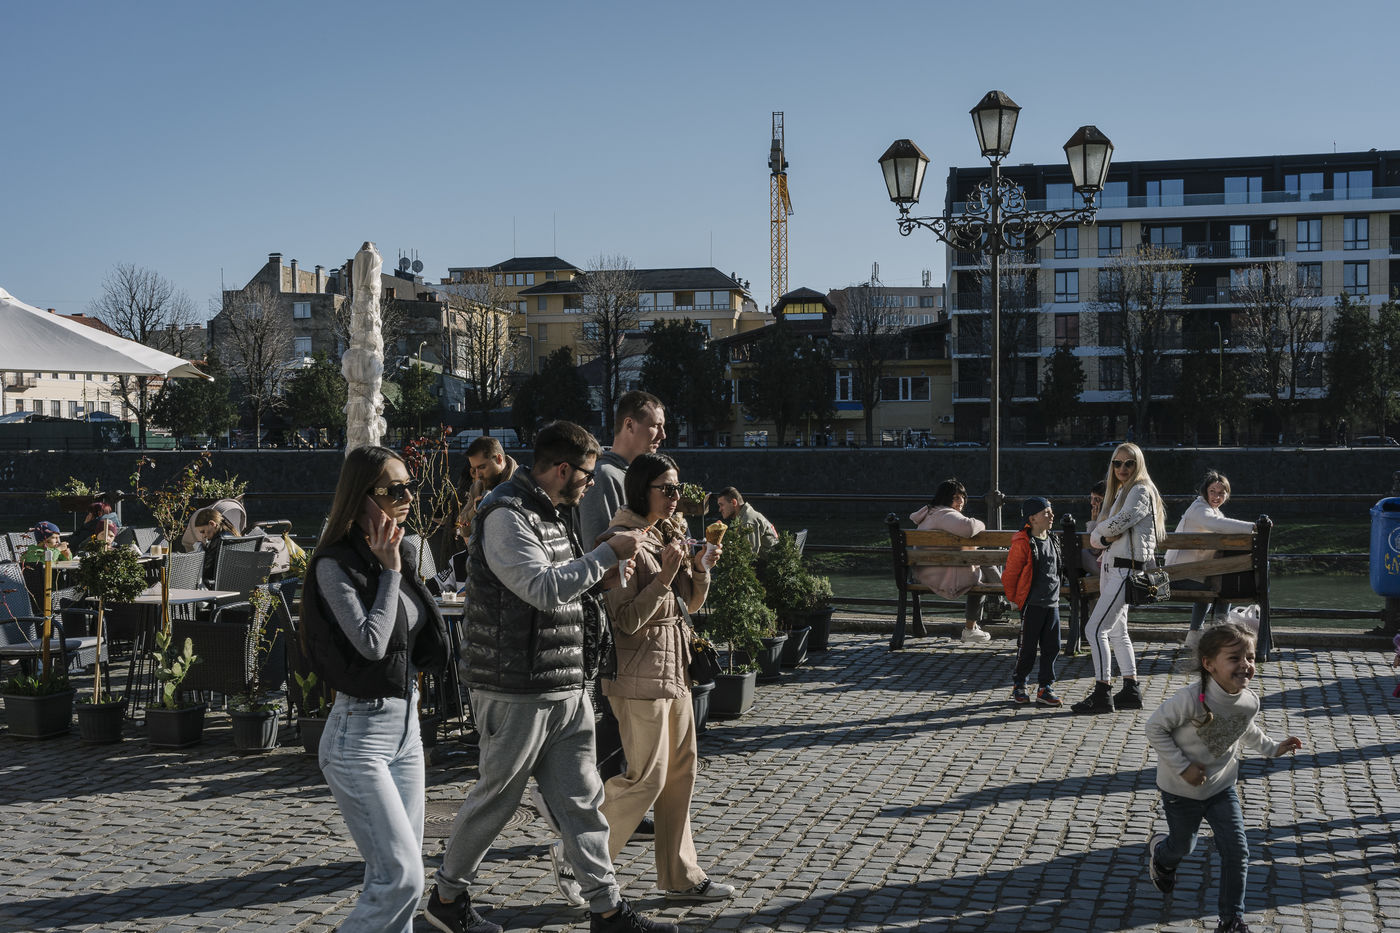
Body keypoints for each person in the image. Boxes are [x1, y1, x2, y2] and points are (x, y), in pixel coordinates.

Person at [426, 421, 674, 933]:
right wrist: (606, 555)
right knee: (497, 800)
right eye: (586, 474)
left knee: (583, 804)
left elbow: (563, 585)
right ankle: (446, 899)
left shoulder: (550, 512)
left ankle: (608, 910)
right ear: (563, 469)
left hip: (563, 684)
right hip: (515, 688)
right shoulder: (505, 515)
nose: (591, 484)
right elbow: (540, 588)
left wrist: (600, 572)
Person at [298, 445, 451, 933]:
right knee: (402, 879)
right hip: (358, 737)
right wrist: (389, 573)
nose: (407, 497)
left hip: (407, 730)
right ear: (362, 496)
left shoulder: (401, 550)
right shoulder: (335, 565)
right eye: (394, 490)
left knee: (392, 880)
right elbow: (370, 643)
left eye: (409, 486)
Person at [594, 453, 734, 904]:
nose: (676, 497)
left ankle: (680, 875)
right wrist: (666, 575)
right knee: (646, 779)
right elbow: (625, 620)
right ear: (642, 490)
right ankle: (580, 854)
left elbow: (687, 605)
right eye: (666, 489)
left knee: (679, 774)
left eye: (678, 488)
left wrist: (700, 568)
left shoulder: (667, 533)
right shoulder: (621, 540)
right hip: (637, 674)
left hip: (675, 670)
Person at [1144, 623, 1303, 933]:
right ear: (1209, 664)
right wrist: (1183, 767)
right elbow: (1154, 728)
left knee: (1237, 851)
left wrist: (1274, 748)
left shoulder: (1249, 700)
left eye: (1250, 658)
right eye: (1234, 658)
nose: (1245, 665)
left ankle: (1231, 920)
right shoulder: (1190, 699)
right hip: (1180, 791)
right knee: (1183, 846)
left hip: (1222, 788)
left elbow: (1245, 728)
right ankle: (1161, 856)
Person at [1072, 442, 1166, 715]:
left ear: (1138, 465)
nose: (1122, 468)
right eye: (1117, 463)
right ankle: (1130, 688)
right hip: (1116, 568)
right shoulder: (1124, 490)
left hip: (1125, 569)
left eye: (1129, 463)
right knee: (1116, 630)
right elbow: (1107, 529)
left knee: (1094, 629)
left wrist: (1098, 534)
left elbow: (1122, 521)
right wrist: (1101, 535)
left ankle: (1102, 692)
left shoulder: (1140, 490)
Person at [1164, 471, 1256, 652]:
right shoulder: (1199, 508)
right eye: (1212, 491)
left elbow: (1218, 522)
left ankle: (1198, 636)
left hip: (1192, 572)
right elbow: (1213, 523)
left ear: (1227, 495)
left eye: (1221, 493)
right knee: (1222, 589)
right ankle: (1221, 636)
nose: (1216, 496)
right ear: (1205, 492)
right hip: (1178, 574)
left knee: (1217, 586)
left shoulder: (1216, 512)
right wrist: (1252, 527)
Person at [909, 478, 997, 643]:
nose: (961, 501)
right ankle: (971, 628)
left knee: (981, 560)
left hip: (924, 574)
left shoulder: (930, 514)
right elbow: (969, 528)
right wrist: (981, 523)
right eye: (956, 497)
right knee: (983, 567)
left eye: (962, 497)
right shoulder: (944, 514)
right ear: (945, 498)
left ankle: (1008, 595)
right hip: (941, 577)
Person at [579, 390, 667, 549]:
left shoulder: (638, 476)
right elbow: (596, 552)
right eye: (655, 426)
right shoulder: (603, 476)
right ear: (629, 425)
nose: (663, 435)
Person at [1002, 497, 1063, 707]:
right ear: (1032, 519)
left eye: (1051, 511)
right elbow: (1010, 574)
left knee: (1052, 646)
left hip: (1052, 604)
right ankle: (1020, 683)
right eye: (1046, 512)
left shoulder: (1053, 539)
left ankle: (1045, 687)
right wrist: (1014, 599)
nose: (1051, 515)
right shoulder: (1024, 542)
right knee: (1027, 647)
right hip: (1033, 604)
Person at [453, 436, 518, 548]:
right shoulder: (477, 488)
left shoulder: (522, 483)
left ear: (499, 459)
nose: (478, 475)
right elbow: (462, 527)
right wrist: (474, 511)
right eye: (474, 469)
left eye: (482, 467)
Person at [1068, 480, 1107, 656]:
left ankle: (1070, 580)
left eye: (1097, 500)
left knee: (1080, 554)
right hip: (1106, 568)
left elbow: (1094, 548)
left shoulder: (1107, 516)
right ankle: (1096, 631)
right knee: (1092, 583)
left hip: (1109, 567)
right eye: (1091, 499)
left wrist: (1093, 522)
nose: (1092, 503)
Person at [715, 487, 777, 559]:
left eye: (721, 505)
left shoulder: (747, 521)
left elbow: (749, 556)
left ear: (734, 502)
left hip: (766, 564)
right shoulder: (745, 516)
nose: (719, 509)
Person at [187, 507, 242, 586]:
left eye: (203, 531)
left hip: (217, 584)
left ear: (212, 524)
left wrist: (202, 549)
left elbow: (206, 570)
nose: (203, 536)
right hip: (234, 582)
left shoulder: (219, 541)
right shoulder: (232, 535)